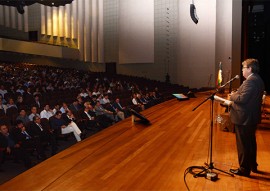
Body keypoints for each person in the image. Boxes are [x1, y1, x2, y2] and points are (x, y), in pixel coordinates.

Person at [229, 58, 265, 177]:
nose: (242, 70)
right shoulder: (257, 79)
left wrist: (232, 96)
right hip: (250, 116)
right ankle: (253, 165)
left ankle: (244, 169)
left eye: (243, 68)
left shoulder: (250, 81)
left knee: (243, 144)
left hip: (244, 117)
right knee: (250, 143)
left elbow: (242, 99)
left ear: (249, 69)